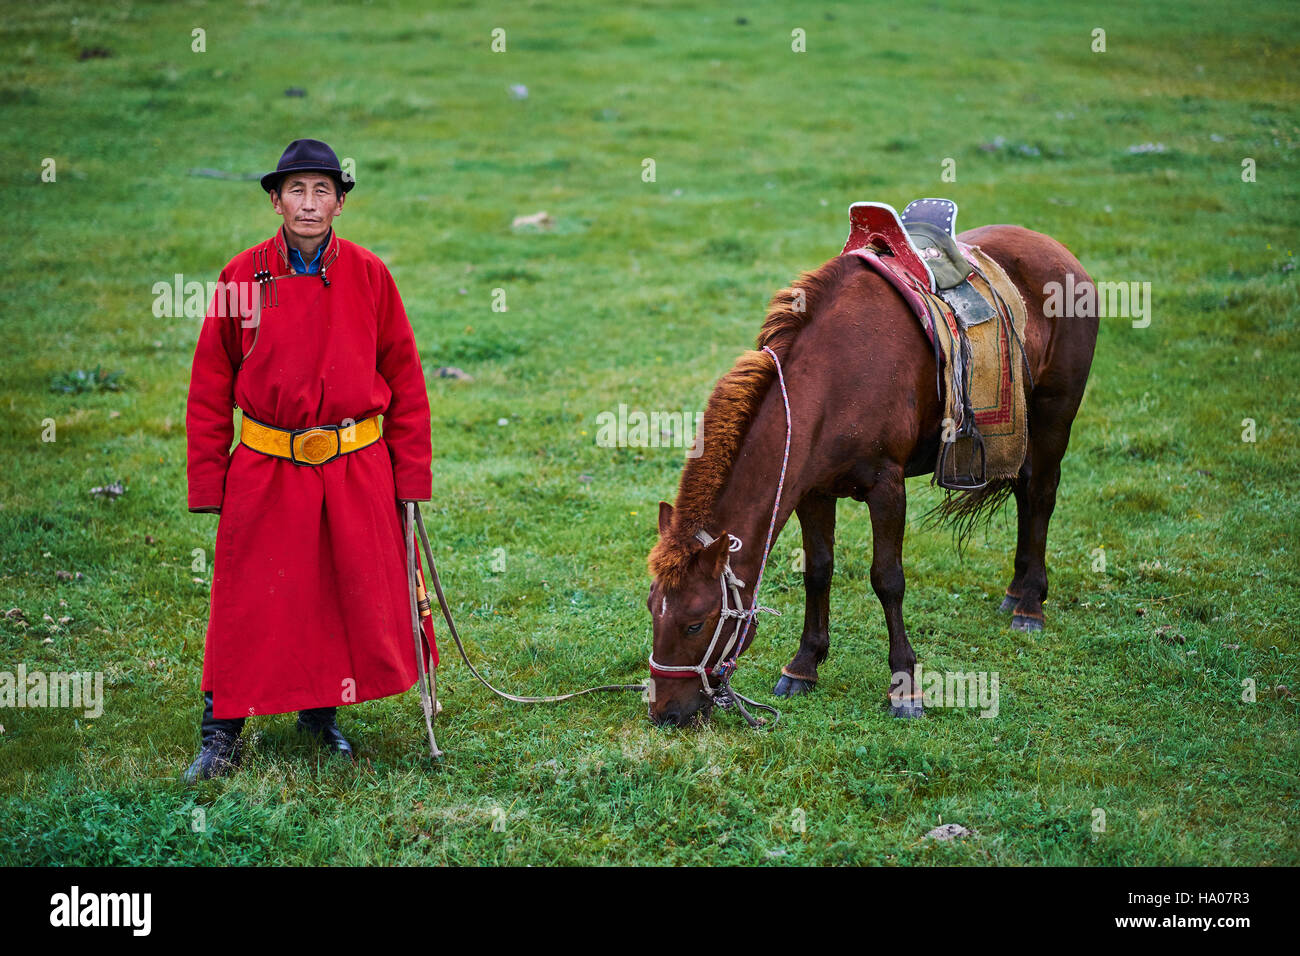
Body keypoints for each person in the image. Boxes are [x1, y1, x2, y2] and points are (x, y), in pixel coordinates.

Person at [184, 138, 436, 782]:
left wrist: (409, 479)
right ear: (276, 199)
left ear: (340, 204)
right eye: (297, 189)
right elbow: (212, 382)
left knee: (334, 591)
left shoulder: (371, 275)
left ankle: (321, 715)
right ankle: (222, 730)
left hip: (355, 465)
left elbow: (404, 379)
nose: (309, 203)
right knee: (253, 599)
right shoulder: (242, 277)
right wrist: (210, 479)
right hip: (266, 466)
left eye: (323, 190)